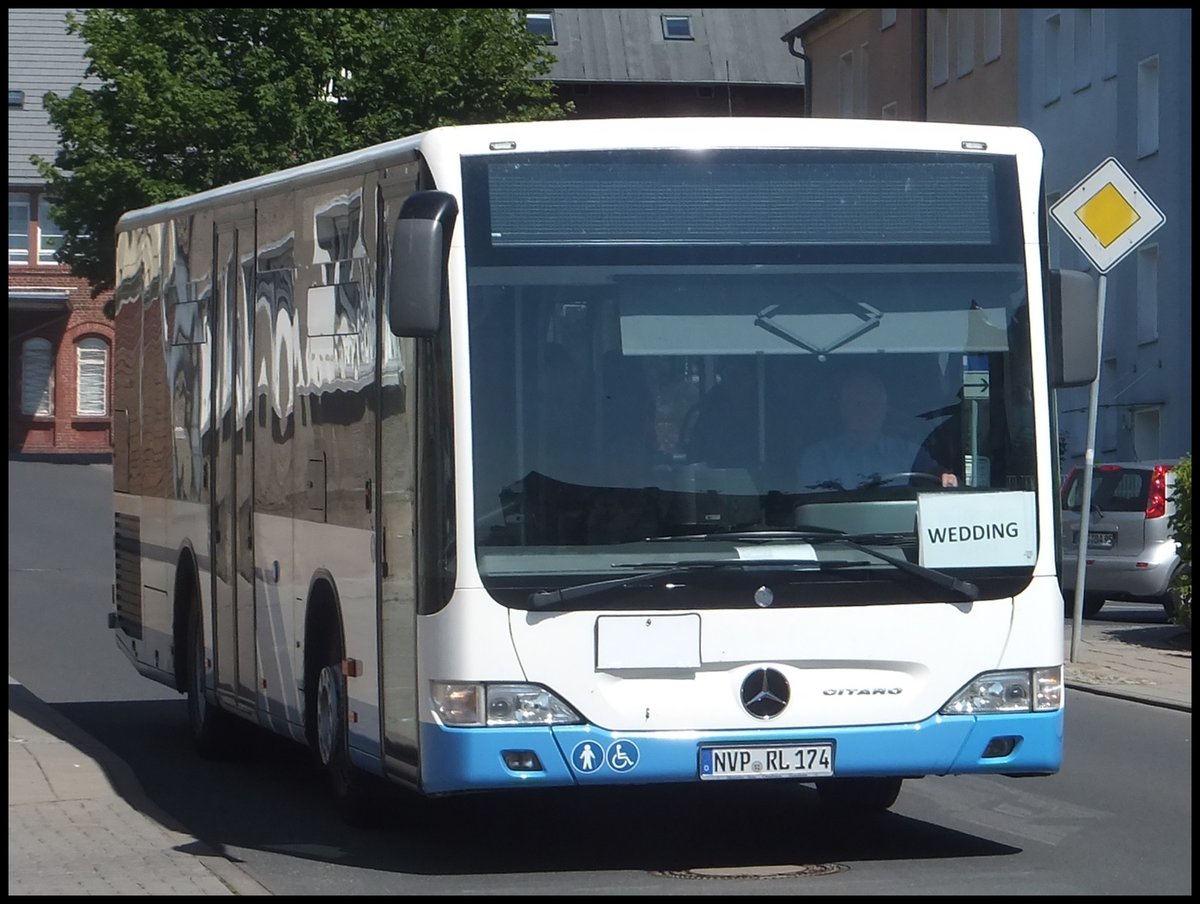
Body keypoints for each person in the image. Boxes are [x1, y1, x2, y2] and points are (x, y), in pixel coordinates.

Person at [797, 367, 958, 491]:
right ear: (842, 408)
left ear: (884, 409)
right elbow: (813, 511)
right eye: (856, 404)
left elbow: (937, 475)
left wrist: (946, 478)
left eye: (872, 404)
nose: (864, 411)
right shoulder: (819, 458)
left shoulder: (909, 453)